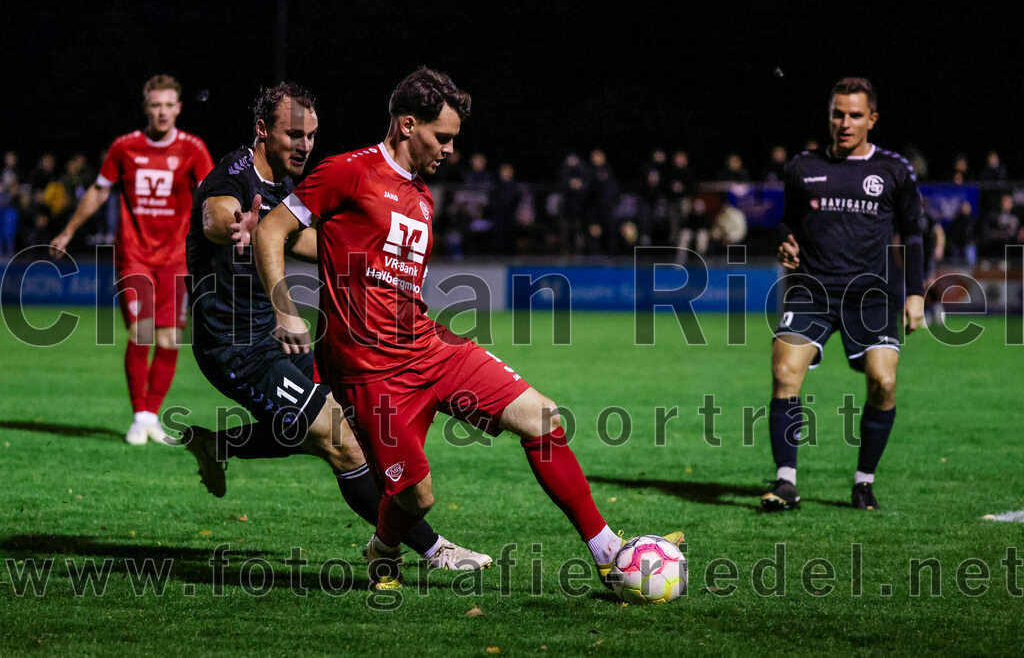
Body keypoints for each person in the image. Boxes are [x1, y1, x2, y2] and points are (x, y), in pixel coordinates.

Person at [253, 67, 681, 589]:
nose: (450, 149)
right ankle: (384, 547)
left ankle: (609, 552)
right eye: (443, 137)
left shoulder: (423, 197)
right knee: (417, 497)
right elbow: (272, 229)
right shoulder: (348, 171)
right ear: (408, 125)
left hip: (430, 347)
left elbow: (344, 250)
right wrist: (285, 310)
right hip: (373, 375)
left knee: (544, 418)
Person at [182, 81, 491, 572]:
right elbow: (215, 217)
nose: (306, 146)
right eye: (294, 135)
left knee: (335, 420)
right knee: (339, 442)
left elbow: (309, 243)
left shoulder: (285, 184)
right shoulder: (234, 177)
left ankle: (218, 443)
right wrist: (237, 224)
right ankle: (434, 550)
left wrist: (375, 258)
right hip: (234, 348)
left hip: (278, 339)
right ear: (262, 130)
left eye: (312, 136)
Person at [764, 77, 925, 512]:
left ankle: (863, 482)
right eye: (838, 114)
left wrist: (915, 293)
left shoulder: (893, 169)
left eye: (855, 115)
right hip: (811, 289)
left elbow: (912, 232)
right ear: (829, 116)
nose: (845, 123)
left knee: (884, 381)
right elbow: (787, 221)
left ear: (872, 119)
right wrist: (785, 241)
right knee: (784, 374)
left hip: (871, 294)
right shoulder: (801, 167)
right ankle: (785, 482)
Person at [50, 75, 214, 444]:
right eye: (155, 105)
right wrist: (69, 231)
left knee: (170, 339)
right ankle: (140, 415)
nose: (162, 112)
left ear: (178, 108)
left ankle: (151, 416)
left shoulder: (194, 148)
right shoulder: (124, 147)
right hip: (135, 255)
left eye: (168, 105)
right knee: (141, 331)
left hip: (175, 258)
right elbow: (99, 190)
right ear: (146, 108)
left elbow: (212, 195)